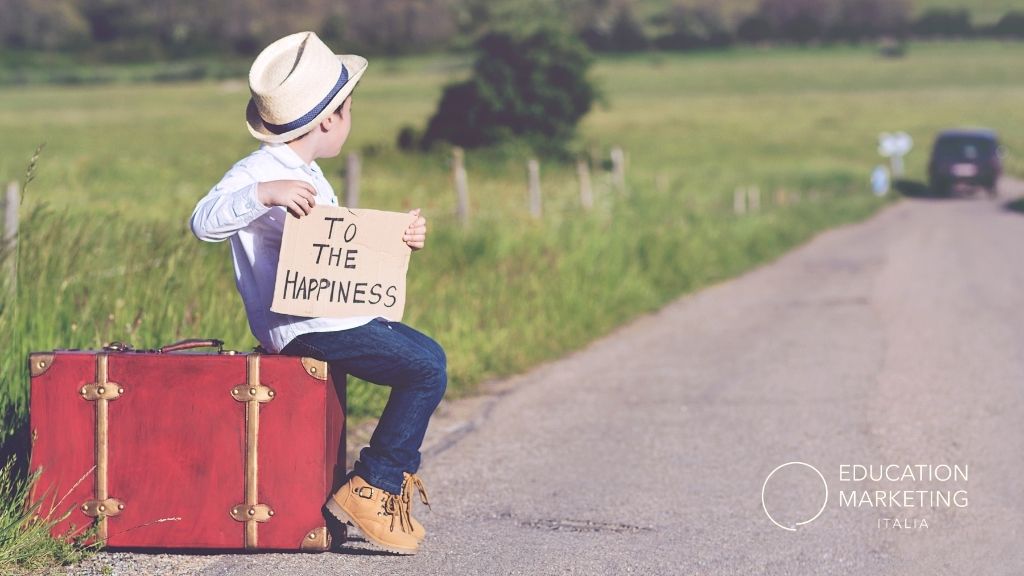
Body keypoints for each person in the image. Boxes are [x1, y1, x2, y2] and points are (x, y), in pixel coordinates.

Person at [190, 31, 445, 555]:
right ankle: (373, 487)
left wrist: (399, 239)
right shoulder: (259, 171)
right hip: (304, 327)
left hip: (334, 319)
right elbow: (202, 221)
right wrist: (263, 195)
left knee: (429, 356)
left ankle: (376, 484)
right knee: (424, 368)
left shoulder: (310, 174)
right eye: (350, 111)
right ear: (331, 120)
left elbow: (340, 245)